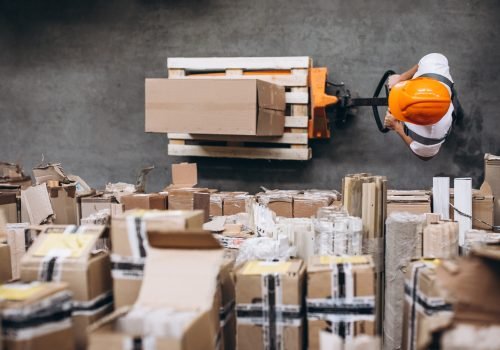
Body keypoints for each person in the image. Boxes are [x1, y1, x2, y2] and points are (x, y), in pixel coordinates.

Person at [384, 53, 461, 160]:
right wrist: (401, 78)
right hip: (443, 95)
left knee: (459, 116)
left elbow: (425, 157)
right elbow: (423, 62)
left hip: (446, 119)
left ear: (416, 122)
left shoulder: (432, 134)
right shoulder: (433, 66)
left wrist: (397, 127)